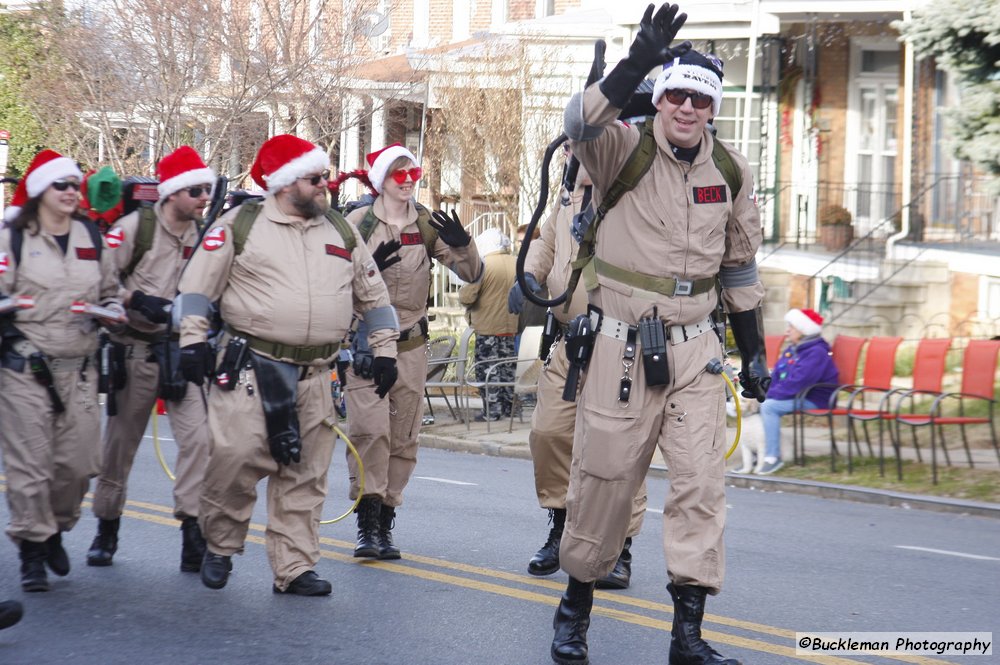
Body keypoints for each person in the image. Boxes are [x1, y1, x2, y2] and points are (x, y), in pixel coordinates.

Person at [552, 4, 770, 664]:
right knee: (605, 478)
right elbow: (577, 122)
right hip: (620, 342)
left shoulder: (730, 171)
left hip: (695, 349)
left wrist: (755, 349)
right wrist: (635, 64)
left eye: (698, 100)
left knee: (701, 487)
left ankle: (687, 635)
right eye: (674, 94)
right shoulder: (620, 145)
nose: (685, 108)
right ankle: (575, 606)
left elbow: (740, 265)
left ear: (712, 110)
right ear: (661, 97)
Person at [175, 134, 399, 596]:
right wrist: (192, 342)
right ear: (284, 184)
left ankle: (294, 567)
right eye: (316, 179)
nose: (326, 185)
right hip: (249, 370)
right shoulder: (239, 224)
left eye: (326, 177)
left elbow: (374, 296)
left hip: (317, 374)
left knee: (306, 474)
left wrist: (385, 350)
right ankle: (219, 544)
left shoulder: (339, 228)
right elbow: (196, 289)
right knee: (234, 460)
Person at [509, 157, 647, 590]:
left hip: (619, 343)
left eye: (588, 148)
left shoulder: (630, 201)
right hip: (571, 342)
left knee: (616, 449)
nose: (578, 157)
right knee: (549, 433)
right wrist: (527, 277)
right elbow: (543, 249)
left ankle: (618, 549)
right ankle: (560, 526)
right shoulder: (564, 206)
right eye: (572, 148)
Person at [343, 143, 482, 560]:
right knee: (370, 432)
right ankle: (366, 527)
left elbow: (471, 275)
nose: (406, 182)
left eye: (413, 174)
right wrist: (368, 268)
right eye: (397, 174)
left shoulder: (424, 225)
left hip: (412, 346)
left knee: (403, 437)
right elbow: (331, 279)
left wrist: (464, 245)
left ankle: (386, 522)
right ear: (380, 180)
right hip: (368, 344)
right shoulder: (357, 223)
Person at [0, 149, 124, 592]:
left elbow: (112, 290)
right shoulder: (12, 236)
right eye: (62, 185)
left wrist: (110, 310)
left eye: (76, 185)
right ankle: (32, 550)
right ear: (39, 191)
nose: (73, 192)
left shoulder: (91, 235)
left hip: (82, 368)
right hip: (25, 369)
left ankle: (54, 526)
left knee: (78, 466)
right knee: (30, 467)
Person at [87, 146, 215, 571]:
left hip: (182, 351)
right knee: (119, 446)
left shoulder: (203, 235)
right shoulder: (133, 229)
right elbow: (99, 284)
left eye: (207, 191)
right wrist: (138, 300)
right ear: (173, 192)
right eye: (195, 190)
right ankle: (107, 528)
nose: (203, 198)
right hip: (135, 350)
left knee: (199, 440)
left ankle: (192, 533)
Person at [757, 308, 838, 474]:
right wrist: (763, 394)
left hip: (816, 399)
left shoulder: (816, 352)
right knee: (762, 403)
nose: (787, 331)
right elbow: (778, 377)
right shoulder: (794, 349)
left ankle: (773, 456)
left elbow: (799, 383)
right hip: (800, 394)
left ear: (803, 330)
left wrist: (768, 397)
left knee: (769, 407)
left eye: (791, 327)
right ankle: (758, 452)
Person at [459, 228, 519, 421]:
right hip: (510, 325)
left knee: (487, 371)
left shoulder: (482, 265)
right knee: (507, 369)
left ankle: (491, 412)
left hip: (487, 328)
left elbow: (468, 296)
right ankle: (509, 409)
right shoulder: (517, 263)